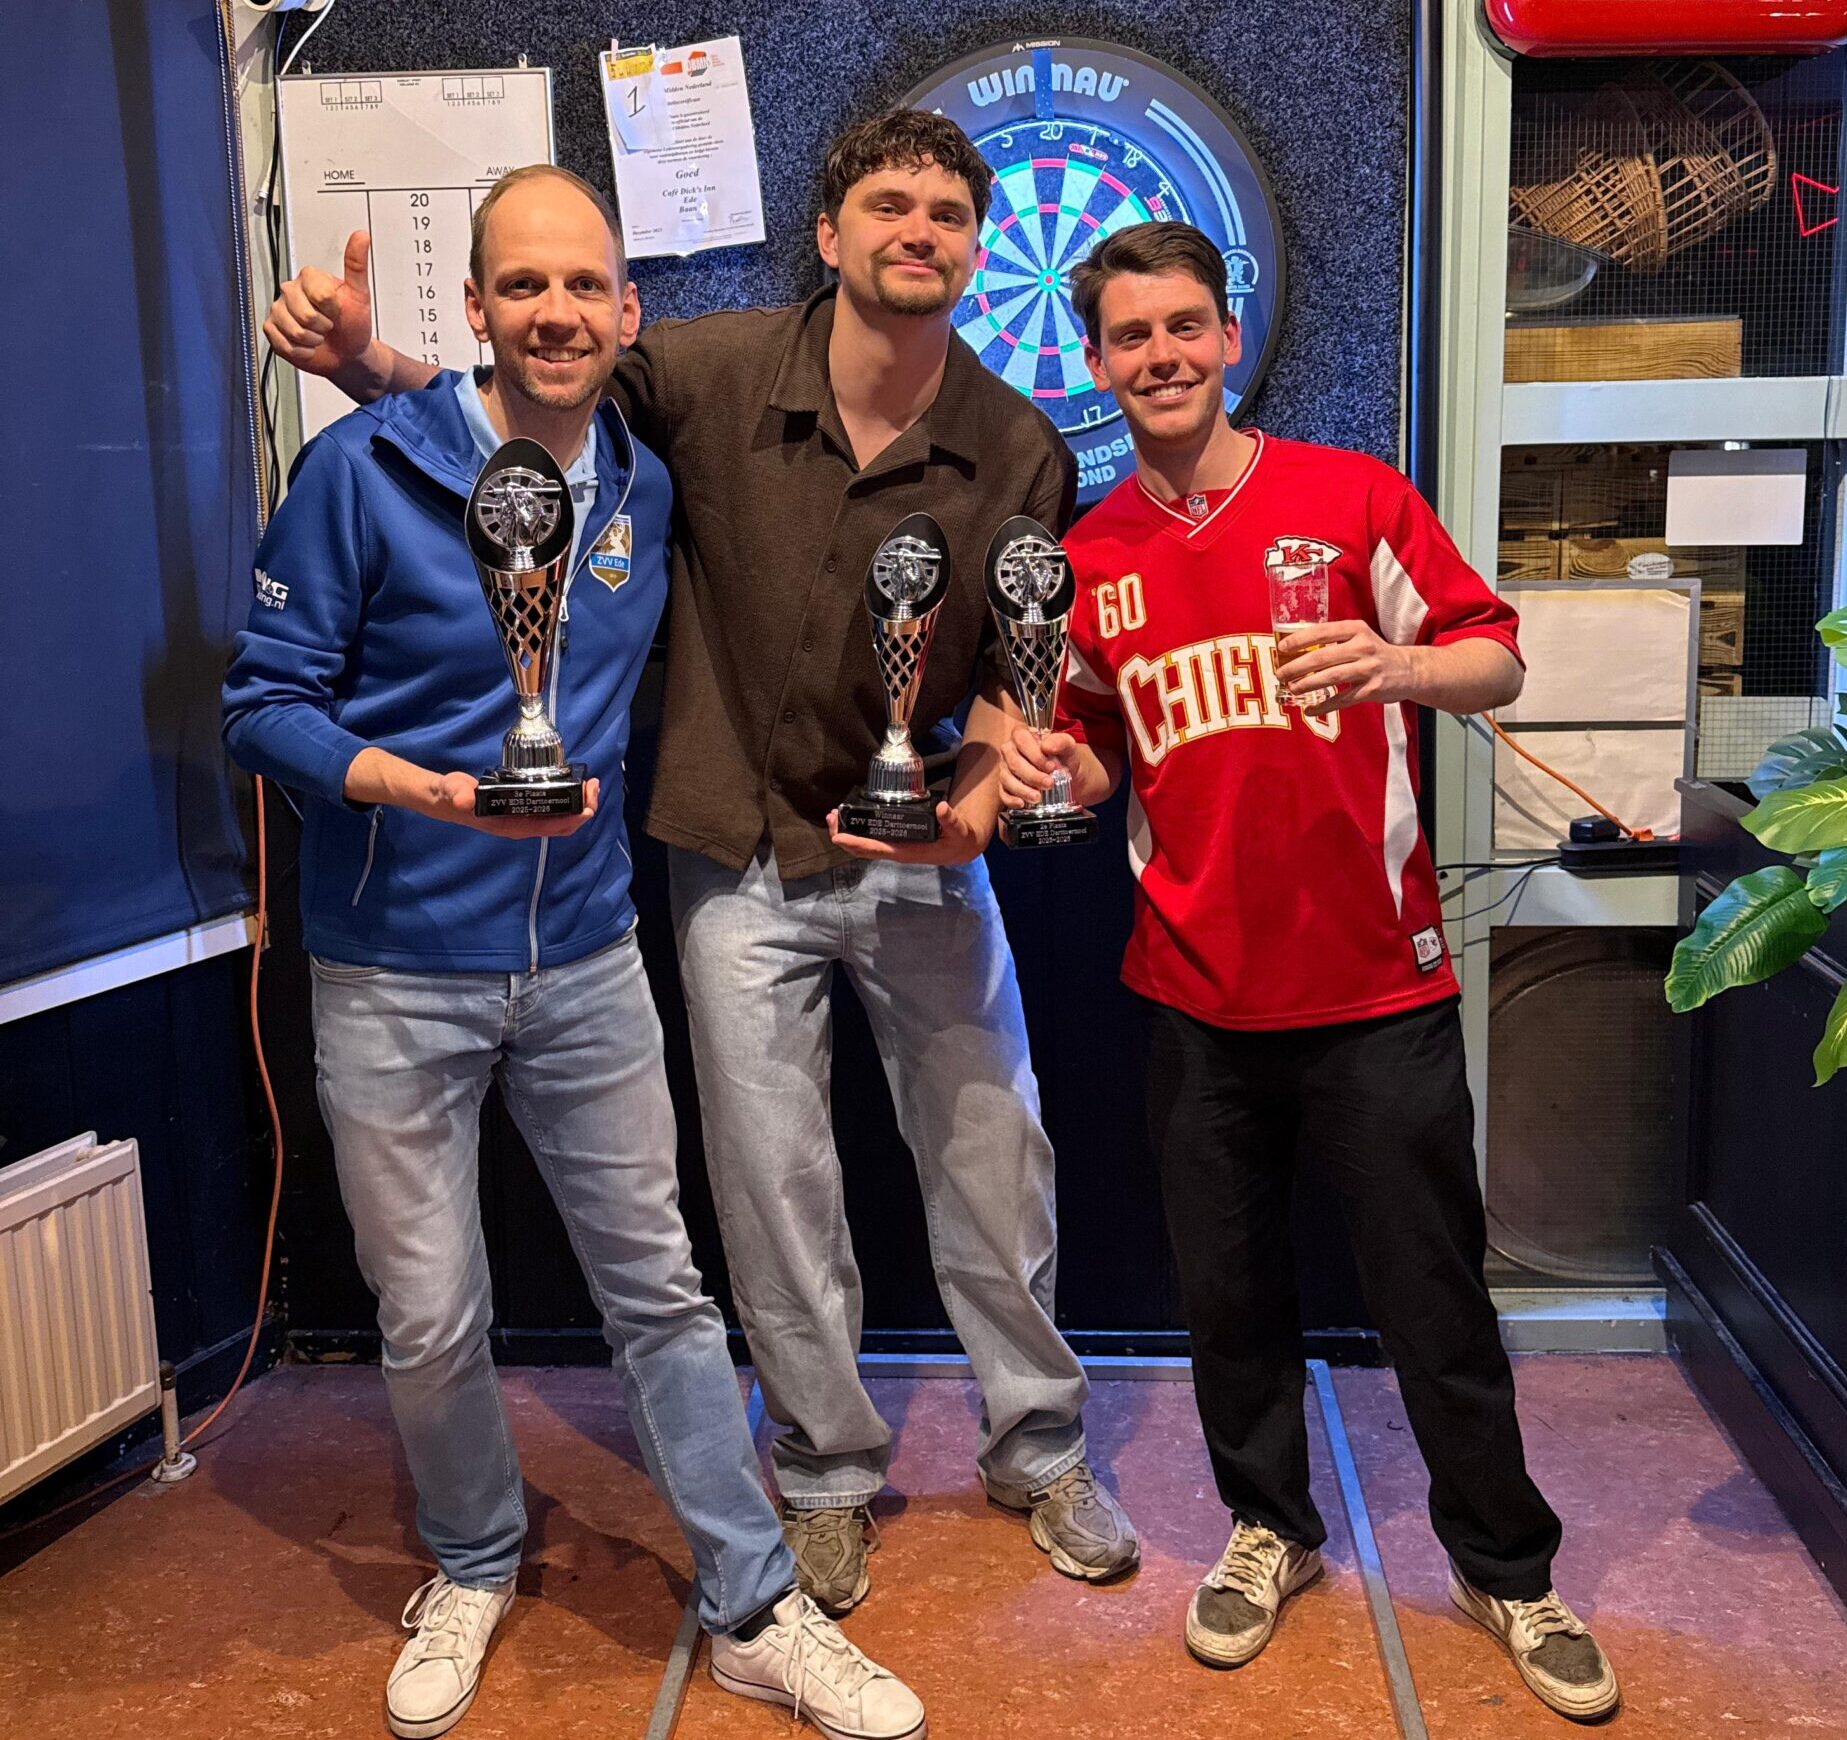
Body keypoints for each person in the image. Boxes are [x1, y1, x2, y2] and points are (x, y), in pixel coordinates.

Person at [262, 110, 1139, 1616]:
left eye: (947, 212)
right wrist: (364, 364)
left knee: (997, 1154)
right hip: (737, 853)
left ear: (980, 247)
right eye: (888, 203)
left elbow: (1015, 673)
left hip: (924, 852)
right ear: (830, 233)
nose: (918, 230)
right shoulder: (706, 371)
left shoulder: (1019, 446)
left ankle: (1040, 1445)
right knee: (772, 1182)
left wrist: (977, 812)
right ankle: (825, 1474)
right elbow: (523, 419)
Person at [226, 164, 924, 1740]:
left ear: (628, 309)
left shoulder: (642, 490)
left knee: (663, 1298)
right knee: (431, 1314)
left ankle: (754, 1604)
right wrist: (406, 786)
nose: (557, 313)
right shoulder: (357, 472)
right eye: (524, 286)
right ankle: (474, 1561)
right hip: (392, 966)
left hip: (589, 960)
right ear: (475, 307)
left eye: (585, 286)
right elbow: (261, 704)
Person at [999, 221, 1619, 1724]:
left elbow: (1496, 657)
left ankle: (1506, 1566)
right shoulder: (1090, 558)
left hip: (1375, 987)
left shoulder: (1351, 497)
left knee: (1432, 1298)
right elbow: (1095, 748)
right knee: (1229, 1298)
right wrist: (1055, 774)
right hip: (1195, 991)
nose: (1161, 356)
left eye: (1183, 327)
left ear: (1228, 338)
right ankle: (1270, 1526)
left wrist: (1397, 665)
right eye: (1131, 336)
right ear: (1097, 362)